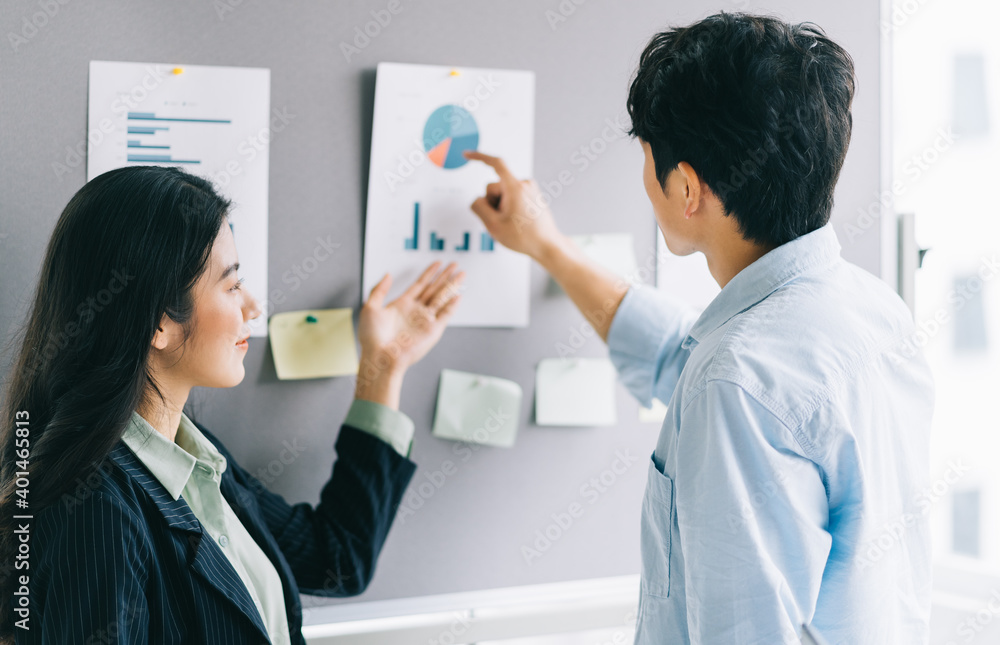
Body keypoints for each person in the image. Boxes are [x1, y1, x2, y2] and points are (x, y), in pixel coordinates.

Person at [464, 11, 934, 645]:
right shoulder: (871, 313)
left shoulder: (736, 379)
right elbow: (680, 358)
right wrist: (549, 248)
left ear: (687, 187)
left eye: (648, 160)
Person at [0, 165, 464, 644]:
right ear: (159, 322)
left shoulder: (191, 454)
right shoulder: (97, 509)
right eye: (232, 284)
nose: (253, 307)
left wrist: (383, 367)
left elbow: (337, 560)